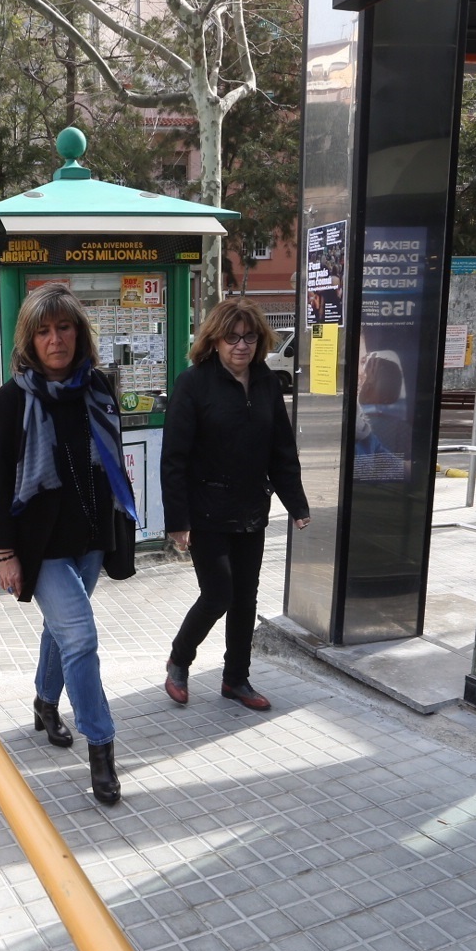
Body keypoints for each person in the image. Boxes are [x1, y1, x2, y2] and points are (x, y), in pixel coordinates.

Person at [0, 284, 135, 806]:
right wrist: (5, 553)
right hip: (39, 545)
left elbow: (111, 460)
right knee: (81, 637)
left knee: (62, 629)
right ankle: (102, 746)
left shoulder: (98, 387)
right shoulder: (11, 399)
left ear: (79, 333)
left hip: (90, 536)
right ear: (29, 339)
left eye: (64, 327)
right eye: (44, 331)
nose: (55, 340)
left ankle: (46, 702)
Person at [162, 298, 311, 712]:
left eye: (249, 337)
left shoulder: (266, 383)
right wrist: (178, 520)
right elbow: (173, 458)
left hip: (251, 508)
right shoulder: (194, 384)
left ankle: (236, 679)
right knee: (218, 594)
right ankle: (179, 660)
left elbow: (282, 450)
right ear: (214, 340)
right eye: (232, 337)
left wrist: (296, 504)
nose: (241, 345)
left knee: (245, 598)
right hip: (206, 509)